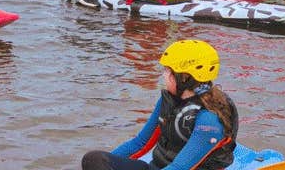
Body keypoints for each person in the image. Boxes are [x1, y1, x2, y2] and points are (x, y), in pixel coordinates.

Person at [81, 39, 238, 170]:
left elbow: (180, 167)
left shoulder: (209, 119)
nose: (164, 74)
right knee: (94, 159)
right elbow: (140, 143)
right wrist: (111, 164)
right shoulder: (168, 100)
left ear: (184, 77)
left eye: (168, 71)